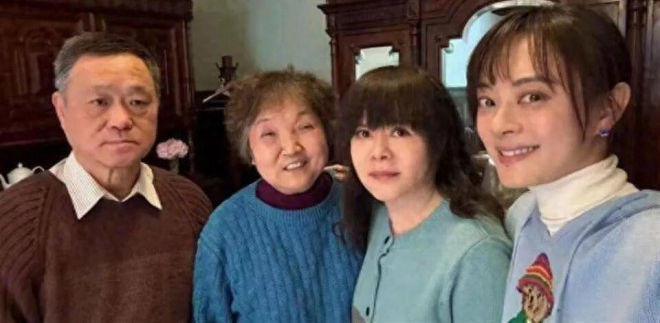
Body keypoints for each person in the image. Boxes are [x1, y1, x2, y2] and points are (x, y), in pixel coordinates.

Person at [466, 3, 660, 322]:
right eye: (488, 101)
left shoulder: (650, 247)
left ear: (608, 108)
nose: (500, 124)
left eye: (533, 96)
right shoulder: (524, 217)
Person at [0, 33, 212, 322]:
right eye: (99, 102)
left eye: (138, 101)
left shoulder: (189, 202)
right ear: (61, 110)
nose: (121, 120)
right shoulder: (14, 221)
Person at [337, 65, 511, 323]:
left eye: (400, 132)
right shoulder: (380, 215)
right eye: (364, 134)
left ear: (439, 141)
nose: (378, 152)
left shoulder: (478, 255)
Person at [193, 68, 363, 322]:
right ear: (249, 150)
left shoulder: (362, 205)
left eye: (305, 126)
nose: (291, 148)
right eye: (269, 134)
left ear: (327, 132)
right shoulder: (224, 230)